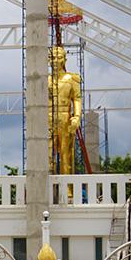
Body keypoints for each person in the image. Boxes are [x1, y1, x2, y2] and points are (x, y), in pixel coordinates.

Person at [48, 46, 82, 174]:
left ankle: (68, 190)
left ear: (64, 60)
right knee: (47, 155)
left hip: (65, 118)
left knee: (65, 154)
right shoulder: (46, 80)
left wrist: (77, 116)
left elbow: (77, 99)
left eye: (59, 57)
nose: (55, 61)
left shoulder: (72, 79)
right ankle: (47, 188)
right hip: (48, 118)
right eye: (52, 58)